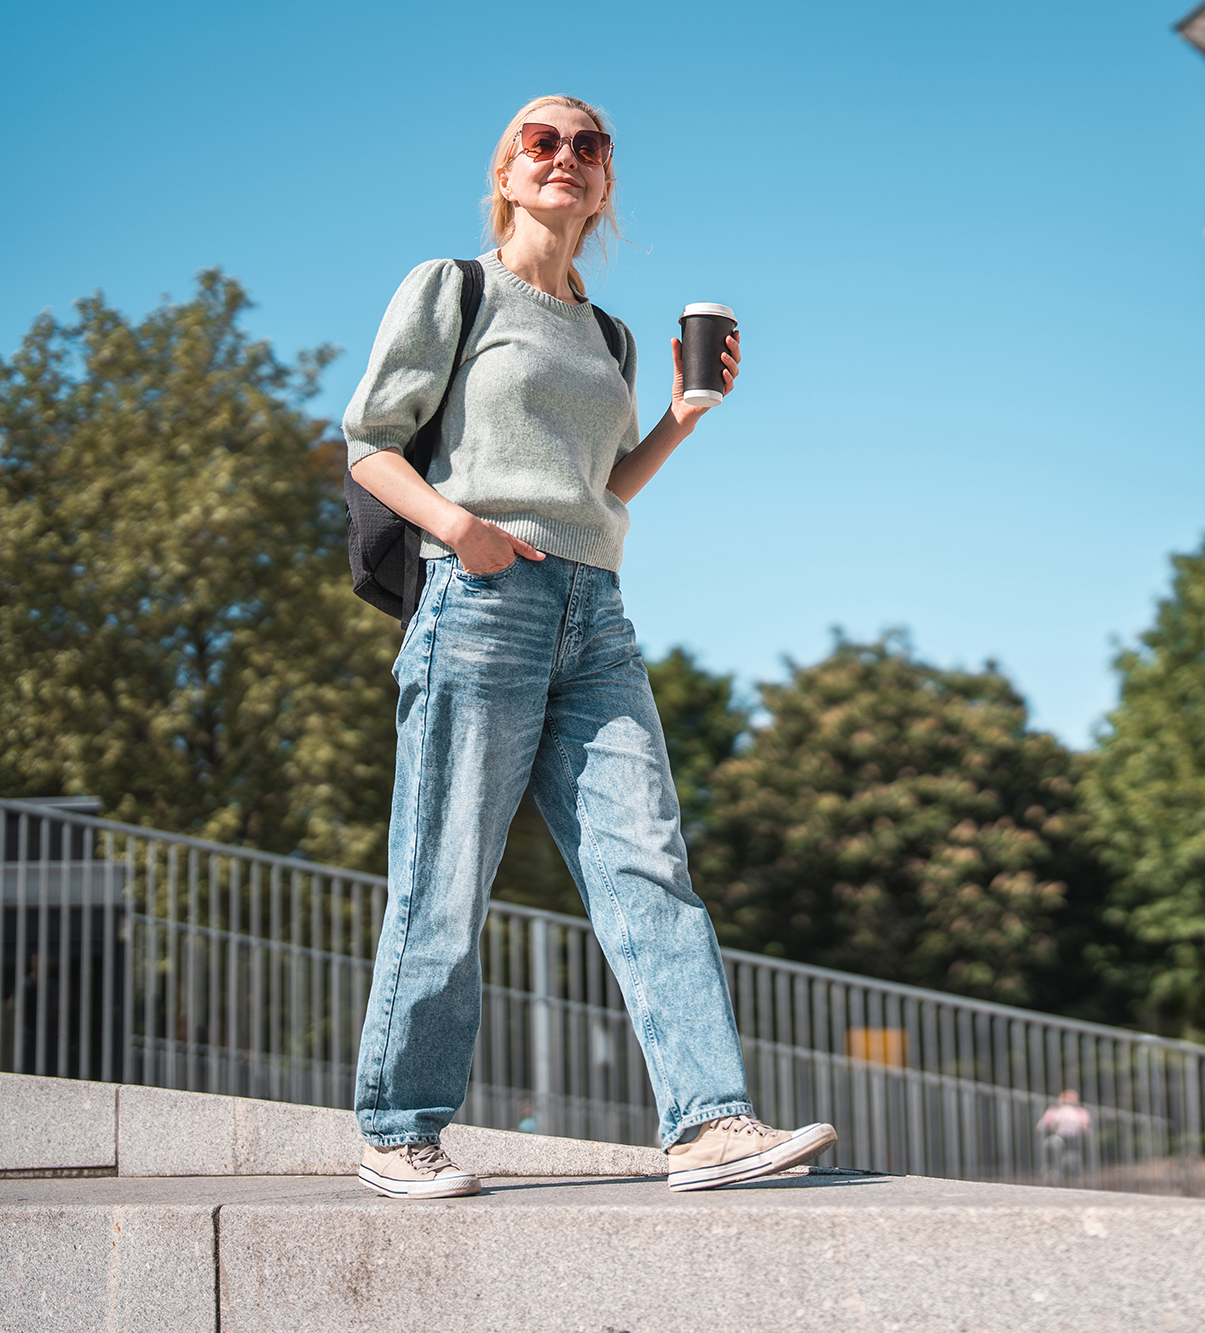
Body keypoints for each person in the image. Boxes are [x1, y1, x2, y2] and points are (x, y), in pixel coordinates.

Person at [343, 94, 836, 1200]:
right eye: (542, 140)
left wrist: (679, 417)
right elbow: (370, 442)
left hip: (595, 612)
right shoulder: (454, 288)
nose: (566, 155)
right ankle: (398, 1126)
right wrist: (461, 530)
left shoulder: (607, 332)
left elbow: (599, 489)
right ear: (508, 172)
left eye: (589, 144)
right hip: (479, 601)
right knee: (445, 872)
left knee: (647, 863)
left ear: (606, 180)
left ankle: (708, 1125)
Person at [1037, 1089, 1090, 1183]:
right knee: (1054, 1143)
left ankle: (1069, 1164)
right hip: (1057, 1136)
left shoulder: (1081, 1112)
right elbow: (1041, 1126)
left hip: (1074, 1138)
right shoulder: (1053, 1111)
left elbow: (1085, 1127)